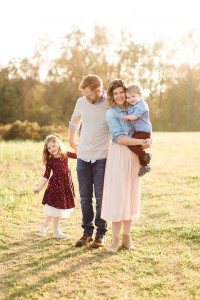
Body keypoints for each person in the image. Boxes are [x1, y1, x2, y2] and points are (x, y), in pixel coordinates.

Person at [101, 79, 150, 253]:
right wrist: (141, 141)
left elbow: (145, 126)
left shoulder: (135, 107)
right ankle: (114, 240)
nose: (120, 96)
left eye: (122, 92)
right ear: (112, 96)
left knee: (130, 194)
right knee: (118, 195)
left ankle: (127, 238)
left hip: (133, 156)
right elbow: (119, 138)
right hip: (119, 155)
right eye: (116, 93)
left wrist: (148, 140)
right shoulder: (111, 113)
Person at [69, 74, 111, 248]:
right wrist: (71, 140)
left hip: (102, 157)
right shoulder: (81, 102)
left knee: (101, 197)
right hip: (83, 157)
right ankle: (87, 232)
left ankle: (101, 234)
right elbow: (74, 122)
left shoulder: (110, 103)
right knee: (85, 198)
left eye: (89, 94)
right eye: (85, 94)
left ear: (99, 90)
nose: (87, 97)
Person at [33, 135, 77, 239]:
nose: (52, 149)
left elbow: (77, 155)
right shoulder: (50, 160)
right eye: (49, 148)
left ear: (58, 144)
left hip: (65, 185)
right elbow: (46, 175)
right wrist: (39, 187)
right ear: (47, 150)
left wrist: (76, 145)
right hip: (55, 186)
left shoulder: (65, 154)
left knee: (54, 210)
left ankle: (44, 226)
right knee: (56, 209)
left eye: (53, 146)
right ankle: (56, 231)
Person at [123, 82, 152, 177]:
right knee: (136, 147)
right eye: (128, 97)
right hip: (139, 131)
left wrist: (127, 117)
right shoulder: (132, 105)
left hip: (144, 131)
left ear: (140, 95)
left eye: (133, 96)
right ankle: (145, 165)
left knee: (131, 144)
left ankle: (145, 156)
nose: (131, 99)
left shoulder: (142, 105)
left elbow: (135, 116)